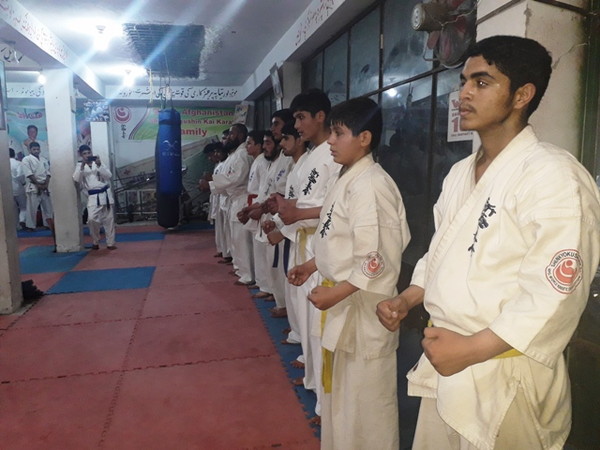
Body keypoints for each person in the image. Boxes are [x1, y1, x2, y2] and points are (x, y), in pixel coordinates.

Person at [376, 35, 600, 450]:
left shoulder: (554, 175)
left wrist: (473, 349)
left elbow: (556, 293)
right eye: (463, 82)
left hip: (504, 371)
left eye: (481, 82)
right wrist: (408, 298)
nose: (463, 94)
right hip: (446, 355)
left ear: (522, 95)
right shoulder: (460, 172)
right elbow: (441, 251)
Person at [288, 97, 410, 449]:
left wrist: (335, 292)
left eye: (339, 133)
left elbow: (377, 258)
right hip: (344, 301)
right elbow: (338, 239)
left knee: (366, 407)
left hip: (363, 309)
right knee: (342, 401)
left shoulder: (371, 184)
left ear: (364, 138)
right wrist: (312, 265)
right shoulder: (348, 177)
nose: (330, 141)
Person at [276, 89, 342, 422]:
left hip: (322, 245)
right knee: (306, 319)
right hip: (305, 241)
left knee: (319, 325)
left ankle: (323, 404)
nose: (297, 125)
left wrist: (297, 213)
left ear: (320, 116)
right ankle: (313, 382)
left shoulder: (333, 154)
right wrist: (286, 213)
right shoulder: (314, 156)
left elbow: (334, 207)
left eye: (301, 117)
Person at [72, 145, 117, 250]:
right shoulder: (80, 166)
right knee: (92, 219)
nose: (87, 155)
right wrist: (82, 166)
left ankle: (110, 243)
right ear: (81, 155)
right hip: (93, 196)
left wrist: (100, 165)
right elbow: (76, 179)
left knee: (109, 220)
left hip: (105, 194)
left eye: (89, 153)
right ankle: (95, 240)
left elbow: (109, 176)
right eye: (85, 154)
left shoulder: (98, 163)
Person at [21, 141, 53, 231]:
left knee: (48, 207)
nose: (36, 151)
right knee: (32, 208)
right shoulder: (26, 159)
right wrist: (38, 185)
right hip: (33, 186)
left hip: (45, 186)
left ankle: (49, 224)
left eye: (38, 149)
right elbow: (29, 174)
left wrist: (45, 185)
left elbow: (48, 173)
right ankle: (30, 226)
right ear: (29, 150)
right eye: (34, 149)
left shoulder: (43, 160)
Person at [9, 148, 27, 230]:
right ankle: (22, 220)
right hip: (18, 187)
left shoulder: (2, 163)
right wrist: (23, 183)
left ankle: (15, 226)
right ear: (14, 154)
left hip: (7, 189)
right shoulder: (18, 163)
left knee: (12, 208)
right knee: (23, 207)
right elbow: (20, 175)